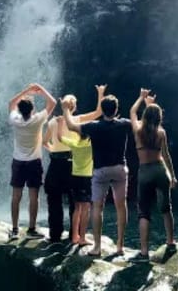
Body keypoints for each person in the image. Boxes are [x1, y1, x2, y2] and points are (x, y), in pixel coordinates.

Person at [62, 94, 132, 257]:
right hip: (119, 168)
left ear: (102, 110)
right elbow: (141, 125)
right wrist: (144, 103)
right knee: (121, 206)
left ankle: (97, 247)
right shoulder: (124, 124)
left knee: (97, 207)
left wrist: (65, 109)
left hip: (100, 171)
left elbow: (71, 126)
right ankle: (120, 246)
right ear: (116, 110)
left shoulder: (93, 126)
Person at [41, 85, 105, 242]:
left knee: (54, 199)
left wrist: (53, 150)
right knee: (75, 201)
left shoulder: (53, 122)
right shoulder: (77, 121)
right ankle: (73, 235)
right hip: (73, 163)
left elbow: (44, 142)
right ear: (74, 107)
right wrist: (100, 93)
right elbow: (99, 112)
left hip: (55, 163)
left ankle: (55, 234)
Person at [128, 89, 178, 262]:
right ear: (159, 118)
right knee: (166, 208)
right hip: (160, 169)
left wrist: (141, 98)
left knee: (144, 212)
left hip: (145, 171)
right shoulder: (161, 132)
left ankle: (144, 252)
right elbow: (166, 155)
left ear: (145, 116)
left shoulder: (138, 130)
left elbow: (132, 112)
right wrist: (173, 176)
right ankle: (171, 241)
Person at [7, 83, 56, 240]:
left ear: (19, 109)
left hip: (18, 162)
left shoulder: (15, 119)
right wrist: (39, 88)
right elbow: (53, 102)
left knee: (16, 195)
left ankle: (14, 229)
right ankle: (32, 229)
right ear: (33, 109)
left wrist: (26, 91)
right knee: (34, 196)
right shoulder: (38, 120)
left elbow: (11, 103)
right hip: (34, 162)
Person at [57, 115, 92, 246]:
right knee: (86, 208)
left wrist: (60, 123)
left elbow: (60, 137)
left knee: (77, 208)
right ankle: (82, 238)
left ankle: (74, 236)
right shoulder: (90, 145)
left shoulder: (75, 144)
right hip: (86, 178)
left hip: (75, 177)